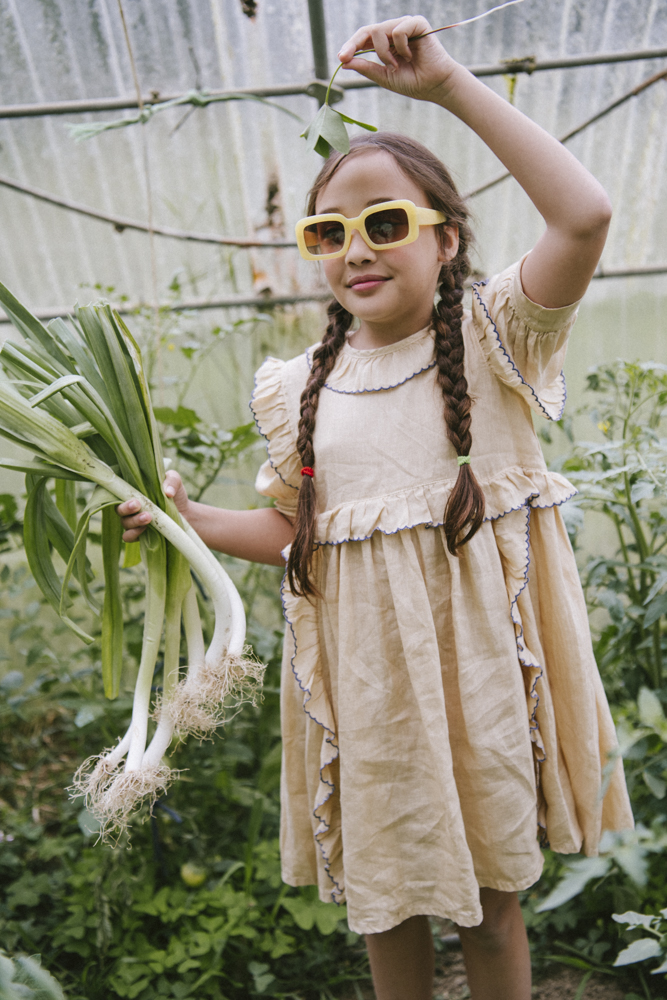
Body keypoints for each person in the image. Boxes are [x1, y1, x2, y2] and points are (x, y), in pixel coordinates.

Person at [117, 15, 633, 1000]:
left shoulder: (497, 337)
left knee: (487, 904)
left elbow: (583, 215)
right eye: (329, 233)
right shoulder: (296, 384)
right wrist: (187, 518)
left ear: (446, 238)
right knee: (386, 901)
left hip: (475, 677)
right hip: (369, 690)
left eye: (385, 222)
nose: (356, 248)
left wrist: (445, 89)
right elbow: (291, 533)